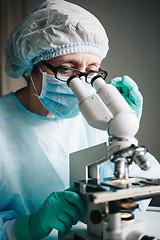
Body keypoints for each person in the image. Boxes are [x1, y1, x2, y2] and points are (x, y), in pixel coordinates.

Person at [1, 0, 160, 239]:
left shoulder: (95, 117)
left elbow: (134, 187)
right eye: (67, 68)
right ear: (31, 65)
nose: (82, 80)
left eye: (92, 70)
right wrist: (26, 227)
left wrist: (123, 134)